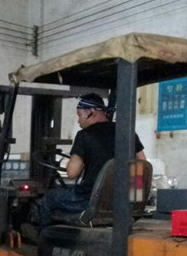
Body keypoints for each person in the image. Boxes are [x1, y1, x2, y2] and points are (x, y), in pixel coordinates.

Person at [37, 93, 147, 229]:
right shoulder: (127, 132)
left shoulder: (84, 135)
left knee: (49, 198)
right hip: (123, 201)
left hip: (90, 201)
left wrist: (73, 160)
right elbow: (143, 162)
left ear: (91, 112)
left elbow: (72, 173)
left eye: (79, 115)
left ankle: (44, 237)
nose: (78, 121)